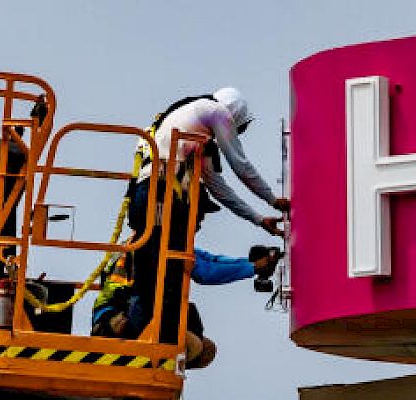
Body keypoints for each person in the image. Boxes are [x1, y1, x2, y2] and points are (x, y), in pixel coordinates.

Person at [94, 87, 288, 369]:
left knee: (169, 284)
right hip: (157, 196)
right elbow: (240, 165)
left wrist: (259, 220)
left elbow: (219, 190)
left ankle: (144, 336)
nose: (199, 223)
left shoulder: (190, 131)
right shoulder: (214, 112)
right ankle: (139, 341)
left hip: (150, 197)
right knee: (156, 284)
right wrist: (273, 200)